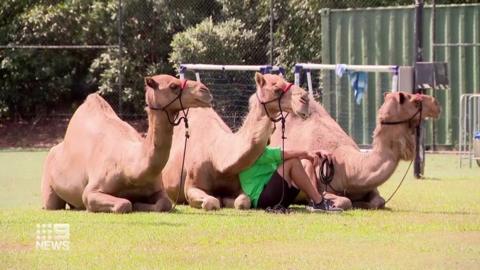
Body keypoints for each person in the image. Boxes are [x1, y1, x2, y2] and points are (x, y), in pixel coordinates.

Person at [239, 146, 342, 213]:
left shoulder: (262, 152)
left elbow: (285, 156)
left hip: (277, 197)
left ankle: (314, 201)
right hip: (263, 201)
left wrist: (314, 152)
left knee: (305, 163)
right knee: (293, 161)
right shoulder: (252, 152)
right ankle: (319, 202)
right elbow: (285, 154)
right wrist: (307, 152)